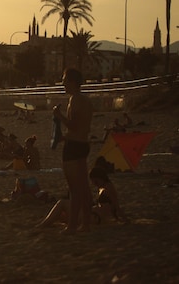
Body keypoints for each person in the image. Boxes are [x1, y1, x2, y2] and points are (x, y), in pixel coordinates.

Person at [53, 68, 93, 234]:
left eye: (64, 80)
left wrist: (58, 115)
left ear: (72, 82)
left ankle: (72, 226)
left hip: (74, 147)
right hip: (82, 144)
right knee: (84, 187)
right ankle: (86, 224)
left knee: (74, 189)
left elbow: (74, 125)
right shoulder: (85, 100)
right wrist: (61, 138)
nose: (62, 83)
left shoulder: (75, 100)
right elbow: (80, 128)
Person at [36, 166, 126, 228]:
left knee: (62, 203)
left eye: (96, 181)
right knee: (61, 215)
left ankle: (42, 225)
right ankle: (46, 224)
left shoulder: (109, 187)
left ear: (100, 177)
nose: (94, 184)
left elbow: (116, 206)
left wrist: (125, 220)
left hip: (94, 217)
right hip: (92, 216)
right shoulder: (103, 187)